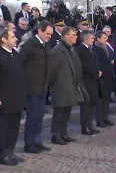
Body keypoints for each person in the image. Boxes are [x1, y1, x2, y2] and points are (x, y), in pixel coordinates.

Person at [49, 26, 89, 145]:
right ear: (66, 36)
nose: (76, 37)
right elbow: (51, 71)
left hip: (71, 85)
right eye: (73, 35)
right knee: (59, 112)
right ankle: (56, 135)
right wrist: (54, 85)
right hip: (61, 86)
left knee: (67, 111)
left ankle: (63, 133)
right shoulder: (57, 51)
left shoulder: (71, 49)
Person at [20, 21, 53, 154]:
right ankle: (29, 143)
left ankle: (37, 140)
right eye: (47, 33)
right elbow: (20, 64)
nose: (50, 36)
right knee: (32, 116)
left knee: (39, 116)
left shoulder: (45, 45)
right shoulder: (29, 45)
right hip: (31, 87)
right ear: (39, 31)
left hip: (42, 86)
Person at [0, 29, 25, 166]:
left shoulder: (16, 54)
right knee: (3, 127)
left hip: (17, 96)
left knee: (14, 127)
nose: (16, 38)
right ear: (3, 40)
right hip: (4, 98)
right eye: (12, 36)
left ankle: (10, 151)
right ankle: (3, 154)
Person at [76, 30, 100, 136]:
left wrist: (98, 71)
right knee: (86, 104)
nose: (93, 40)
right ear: (85, 39)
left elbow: (95, 62)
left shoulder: (91, 49)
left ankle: (90, 125)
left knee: (92, 103)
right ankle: (85, 126)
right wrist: (94, 72)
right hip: (86, 80)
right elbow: (82, 65)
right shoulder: (80, 50)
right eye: (91, 38)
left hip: (94, 79)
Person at [92, 31, 115, 127]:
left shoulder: (106, 47)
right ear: (98, 39)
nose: (106, 40)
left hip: (108, 76)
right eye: (104, 38)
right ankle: (99, 119)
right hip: (101, 78)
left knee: (106, 99)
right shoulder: (96, 49)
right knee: (100, 100)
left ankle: (105, 117)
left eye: (106, 38)